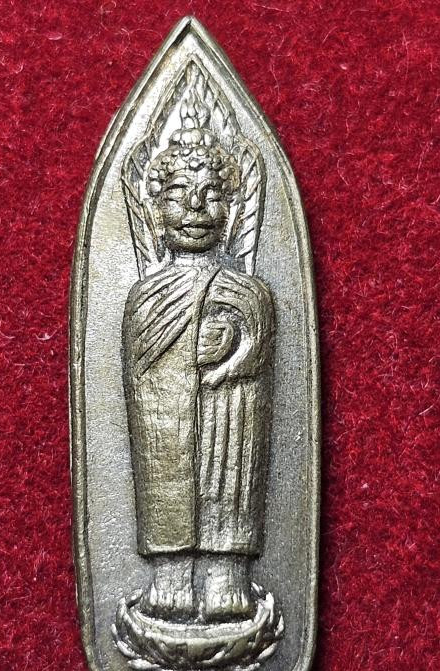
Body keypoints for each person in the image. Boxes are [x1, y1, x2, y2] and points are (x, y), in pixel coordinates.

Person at [122, 94, 275, 623]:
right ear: (155, 210)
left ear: (232, 211)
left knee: (233, 460)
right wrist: (184, 355)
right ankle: (169, 573)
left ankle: (226, 572)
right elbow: (142, 377)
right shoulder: (145, 295)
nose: (195, 209)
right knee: (160, 453)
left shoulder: (248, 289)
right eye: (179, 194)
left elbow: (258, 350)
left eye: (212, 195)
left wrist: (233, 349)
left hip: (226, 413)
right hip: (167, 420)